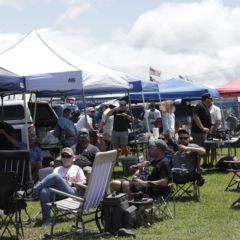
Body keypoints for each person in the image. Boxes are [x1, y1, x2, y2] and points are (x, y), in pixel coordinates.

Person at [33, 147, 86, 225]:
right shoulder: (57, 169)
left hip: (71, 193)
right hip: (57, 194)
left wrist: (73, 183)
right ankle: (46, 220)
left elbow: (84, 181)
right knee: (44, 191)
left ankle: (35, 189)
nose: (65, 158)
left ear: (73, 159)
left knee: (55, 176)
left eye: (68, 156)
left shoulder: (76, 168)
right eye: (63, 156)